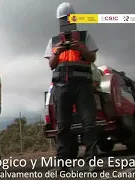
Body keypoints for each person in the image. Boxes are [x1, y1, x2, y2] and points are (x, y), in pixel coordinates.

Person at [44, 2, 99, 172]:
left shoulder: (84, 36)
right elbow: (52, 65)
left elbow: (92, 58)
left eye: (68, 19)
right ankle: (62, 165)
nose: (66, 22)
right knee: (63, 126)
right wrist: (57, 52)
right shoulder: (53, 41)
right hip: (61, 86)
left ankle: (92, 162)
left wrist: (81, 48)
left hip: (82, 85)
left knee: (89, 123)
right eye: (63, 20)